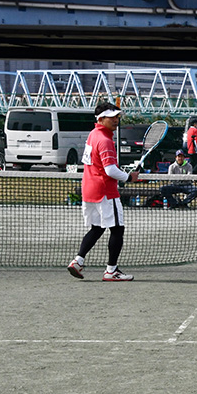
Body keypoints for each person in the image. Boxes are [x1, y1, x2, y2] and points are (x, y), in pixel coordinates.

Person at [67, 102, 140, 282]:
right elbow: (110, 170)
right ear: (101, 119)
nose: (116, 120)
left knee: (98, 228)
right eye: (112, 117)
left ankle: (78, 260)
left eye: (117, 117)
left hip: (89, 189)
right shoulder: (105, 140)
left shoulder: (93, 135)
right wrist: (129, 177)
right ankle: (111, 271)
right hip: (105, 191)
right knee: (117, 229)